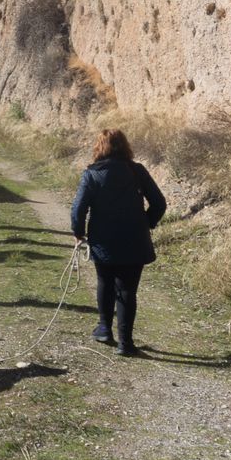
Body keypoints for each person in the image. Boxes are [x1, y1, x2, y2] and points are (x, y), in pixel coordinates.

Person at [69, 128, 167, 356]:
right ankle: (126, 343)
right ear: (125, 147)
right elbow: (159, 203)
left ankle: (104, 329)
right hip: (135, 239)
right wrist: (146, 223)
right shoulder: (137, 171)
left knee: (104, 281)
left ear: (99, 147)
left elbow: (78, 209)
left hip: (103, 241)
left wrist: (78, 232)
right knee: (127, 291)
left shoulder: (92, 174)